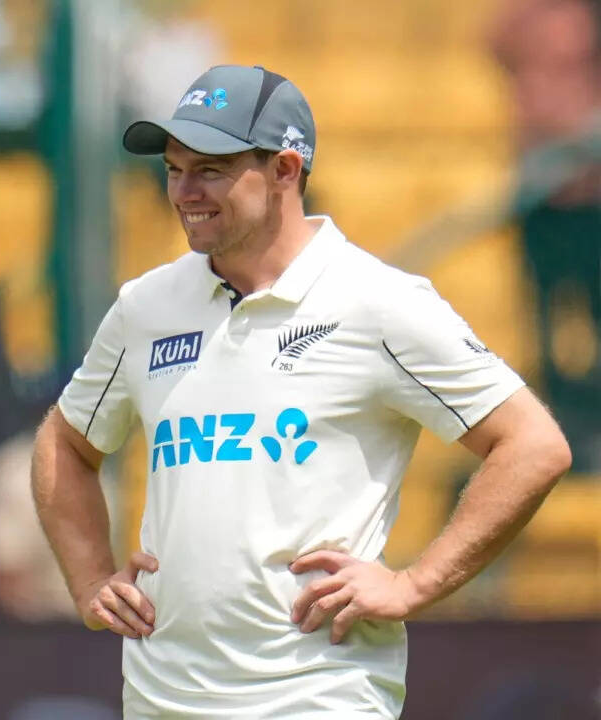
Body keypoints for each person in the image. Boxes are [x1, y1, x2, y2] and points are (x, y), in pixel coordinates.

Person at [31, 64, 572, 718]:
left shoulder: (377, 301)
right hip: (161, 699)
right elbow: (65, 442)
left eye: (210, 170)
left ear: (285, 170)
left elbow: (532, 445)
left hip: (317, 697)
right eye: (174, 169)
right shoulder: (147, 306)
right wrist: (91, 581)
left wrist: (415, 584)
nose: (184, 192)